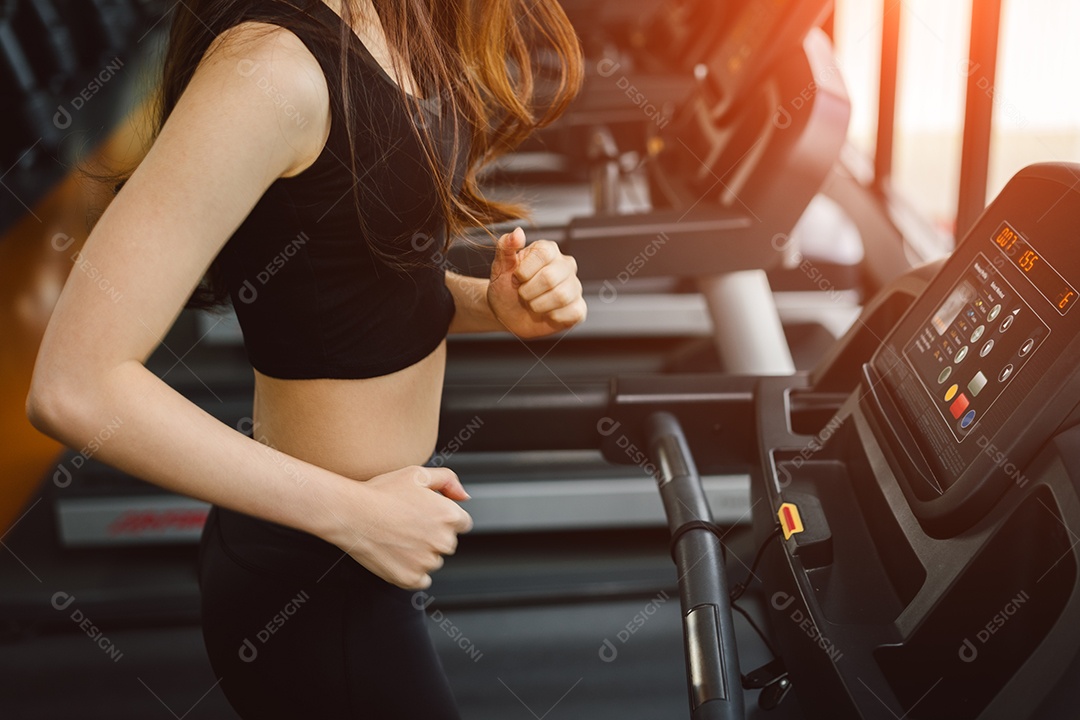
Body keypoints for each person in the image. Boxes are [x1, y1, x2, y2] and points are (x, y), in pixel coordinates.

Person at [26, 0, 585, 716]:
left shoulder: (393, 22)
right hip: (315, 580)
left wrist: (488, 302)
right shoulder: (270, 67)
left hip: (355, 560)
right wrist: (357, 515)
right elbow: (74, 386)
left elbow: (347, 277)